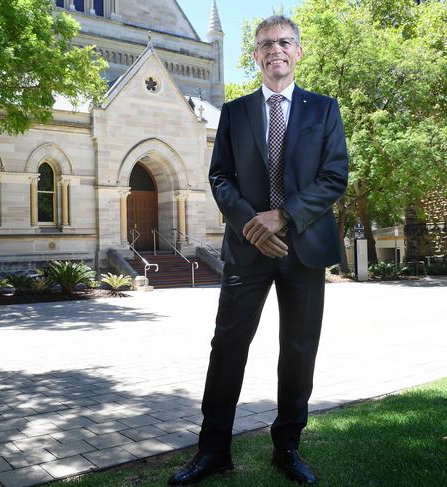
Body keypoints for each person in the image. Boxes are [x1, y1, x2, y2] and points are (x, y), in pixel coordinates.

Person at [168, 15, 349, 486]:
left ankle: (287, 447)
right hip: (247, 250)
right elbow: (219, 177)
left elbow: (333, 177)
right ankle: (213, 452)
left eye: (285, 42)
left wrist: (283, 216)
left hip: (303, 247)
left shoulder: (324, 110)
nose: (276, 50)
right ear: (255, 56)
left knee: (298, 349)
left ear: (298, 51)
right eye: (266, 44)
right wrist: (253, 225)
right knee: (227, 347)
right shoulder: (235, 111)